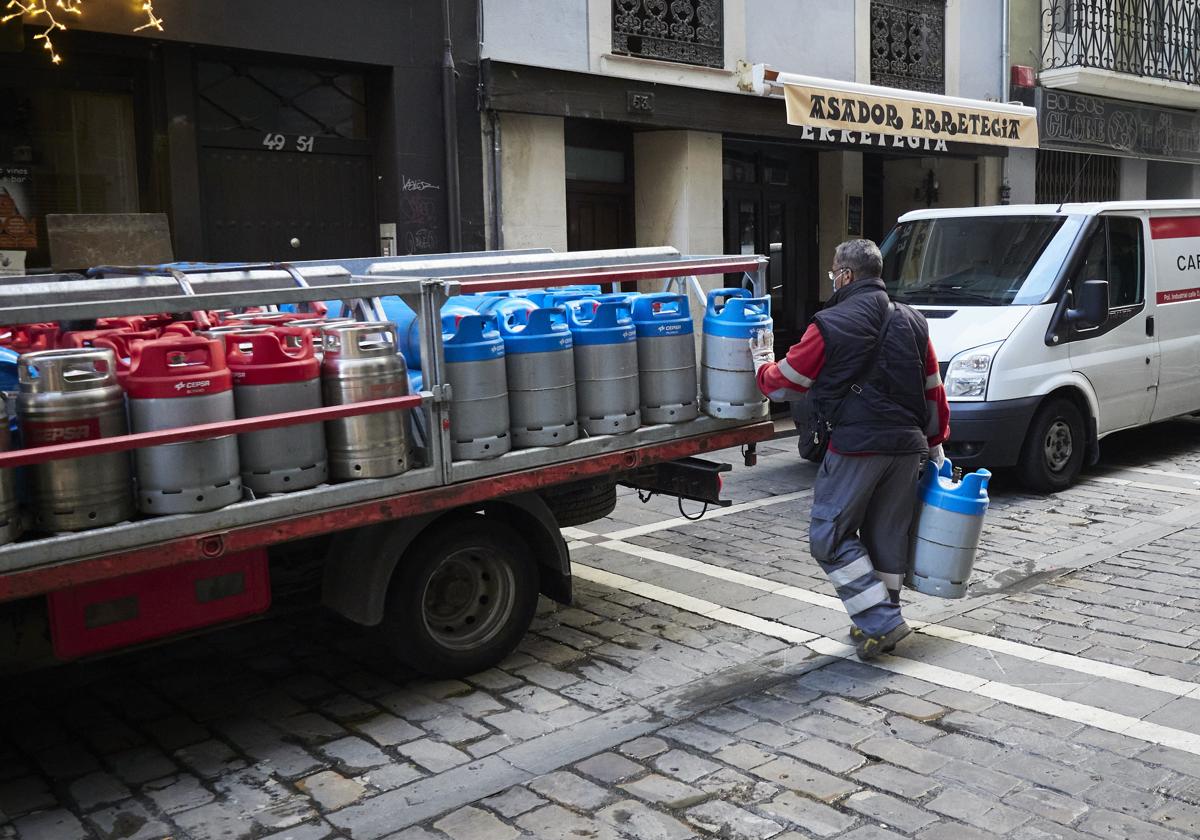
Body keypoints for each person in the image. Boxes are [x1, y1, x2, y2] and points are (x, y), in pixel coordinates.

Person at [749, 239, 950, 660]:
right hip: (906, 448)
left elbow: (786, 383)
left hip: (858, 445)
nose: (832, 280)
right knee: (886, 537)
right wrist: (935, 446)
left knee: (830, 534)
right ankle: (876, 625)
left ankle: (880, 620)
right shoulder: (914, 320)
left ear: (845, 275)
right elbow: (934, 390)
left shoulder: (830, 322)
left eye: (833, 273)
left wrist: (762, 365)